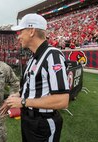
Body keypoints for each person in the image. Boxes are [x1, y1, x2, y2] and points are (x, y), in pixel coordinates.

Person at [6, 13, 70, 142]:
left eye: (20, 31)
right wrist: (19, 95)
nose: (18, 37)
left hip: (43, 122)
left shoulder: (53, 56)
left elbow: (62, 101)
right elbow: (33, 86)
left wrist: (23, 102)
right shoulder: (33, 58)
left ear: (31, 31)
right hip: (28, 119)